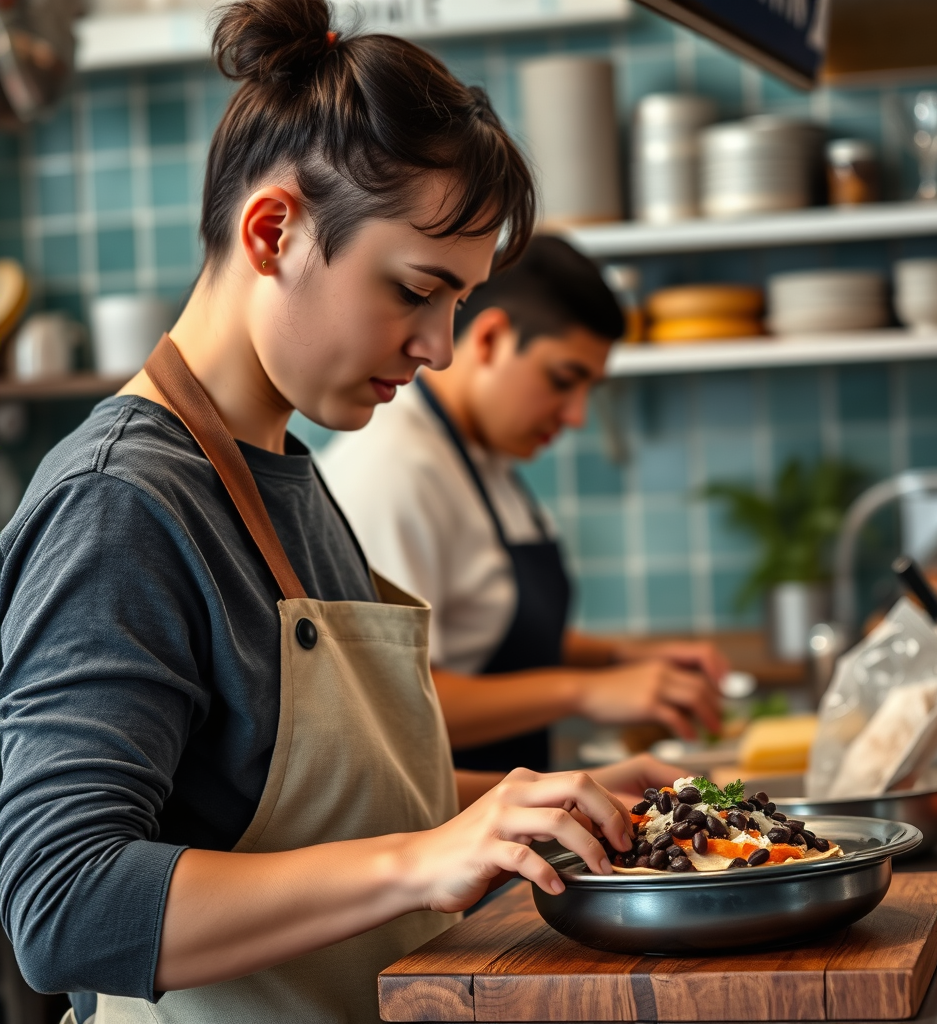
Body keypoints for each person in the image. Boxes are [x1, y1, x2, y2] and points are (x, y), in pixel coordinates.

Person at [0, 5, 678, 1022]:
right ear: (274, 231)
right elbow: (63, 906)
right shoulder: (121, 502)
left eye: (457, 303)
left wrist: (539, 800)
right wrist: (423, 860)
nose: (440, 346)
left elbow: (315, 808)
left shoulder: (287, 472)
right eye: (415, 290)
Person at [319, 236, 727, 773]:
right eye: (563, 380)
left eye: (590, 390)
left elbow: (488, 621)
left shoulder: (486, 459)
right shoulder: (393, 468)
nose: (577, 415)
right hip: (436, 827)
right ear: (491, 339)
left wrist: (624, 659)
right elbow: (387, 702)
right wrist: (586, 691)